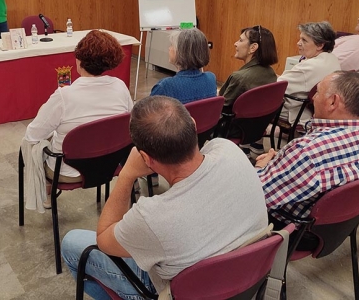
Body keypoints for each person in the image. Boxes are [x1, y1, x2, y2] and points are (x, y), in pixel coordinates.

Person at [62, 95, 268, 299]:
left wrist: (126, 175)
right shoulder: (228, 149)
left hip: (176, 292)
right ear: (194, 126)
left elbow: (104, 239)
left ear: (145, 158)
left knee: (72, 244)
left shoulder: (152, 217)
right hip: (244, 280)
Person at [256, 71, 359, 227]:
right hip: (340, 224)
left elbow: (254, 197)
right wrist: (286, 161)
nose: (313, 98)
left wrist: (261, 167)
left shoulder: (307, 152)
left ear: (333, 102)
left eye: (317, 92)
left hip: (293, 229)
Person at [24, 30, 134, 182]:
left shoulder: (63, 96)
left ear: (79, 59)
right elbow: (128, 123)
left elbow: (32, 135)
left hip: (69, 172)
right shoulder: (120, 86)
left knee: (37, 147)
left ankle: (47, 199)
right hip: (110, 164)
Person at [277, 22, 341, 126]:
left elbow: (275, 88)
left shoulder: (308, 67)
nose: (298, 43)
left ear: (320, 45)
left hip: (293, 112)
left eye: (304, 40)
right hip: (312, 110)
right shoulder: (332, 58)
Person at [220, 25, 279, 113]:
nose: (235, 43)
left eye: (240, 40)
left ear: (253, 48)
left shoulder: (238, 78)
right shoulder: (271, 73)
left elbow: (221, 109)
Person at [150, 28, 216, 104]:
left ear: (181, 52)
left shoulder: (165, 87)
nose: (169, 48)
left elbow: (146, 114)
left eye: (171, 45)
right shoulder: (211, 79)